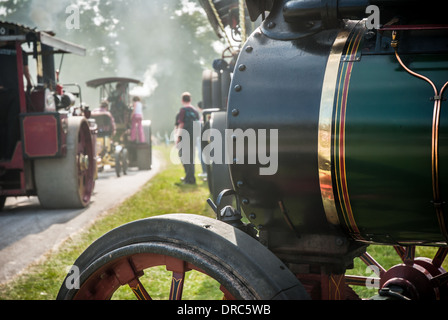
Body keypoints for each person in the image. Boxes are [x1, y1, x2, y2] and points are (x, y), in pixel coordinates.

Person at [0, 41, 31, 160]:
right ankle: (9, 156)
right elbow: (25, 72)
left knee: (1, 125)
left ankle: (2, 155)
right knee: (12, 125)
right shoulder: (21, 52)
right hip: (14, 93)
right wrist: (29, 84)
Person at [176, 92, 199, 185]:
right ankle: (190, 177)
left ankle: (189, 179)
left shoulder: (183, 110)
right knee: (190, 157)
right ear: (190, 100)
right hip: (193, 135)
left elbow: (181, 124)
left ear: (182, 100)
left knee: (184, 156)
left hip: (185, 135)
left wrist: (178, 136)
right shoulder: (195, 111)